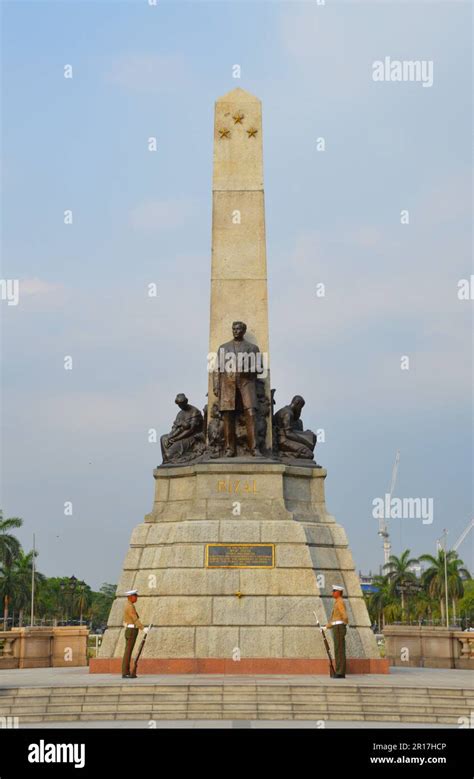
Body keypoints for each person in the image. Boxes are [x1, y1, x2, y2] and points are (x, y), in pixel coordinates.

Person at [213, 321, 263, 457]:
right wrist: (216, 385)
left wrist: (246, 371)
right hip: (228, 385)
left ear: (244, 331)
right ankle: (230, 449)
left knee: (251, 413)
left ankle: (254, 448)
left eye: (239, 329)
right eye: (234, 329)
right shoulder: (223, 348)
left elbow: (259, 367)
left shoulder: (253, 348)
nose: (236, 331)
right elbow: (217, 369)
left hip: (247, 383)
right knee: (228, 416)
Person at [122, 589, 148, 679]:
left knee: (128, 651)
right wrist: (143, 628)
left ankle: (126, 671)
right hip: (131, 630)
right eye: (135, 596)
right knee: (128, 652)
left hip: (131, 630)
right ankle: (125, 672)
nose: (136, 598)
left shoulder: (130, 605)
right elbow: (134, 619)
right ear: (130, 597)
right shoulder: (130, 606)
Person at [324, 585, 348, 678]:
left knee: (339, 651)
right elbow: (334, 619)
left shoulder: (340, 602)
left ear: (338, 592)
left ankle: (340, 672)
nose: (332, 592)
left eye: (334, 591)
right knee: (338, 650)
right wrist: (326, 627)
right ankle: (339, 671)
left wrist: (343, 624)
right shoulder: (337, 602)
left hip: (339, 627)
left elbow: (344, 615)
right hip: (337, 627)